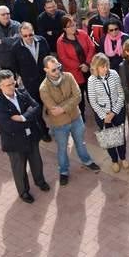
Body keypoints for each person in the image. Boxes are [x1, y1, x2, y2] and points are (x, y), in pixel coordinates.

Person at [38, 55, 100, 185]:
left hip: (76, 118)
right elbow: (53, 108)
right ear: (46, 70)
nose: (58, 71)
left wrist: (63, 107)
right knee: (62, 149)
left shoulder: (69, 77)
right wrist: (69, 104)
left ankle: (87, 161)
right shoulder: (43, 88)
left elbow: (78, 96)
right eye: (53, 70)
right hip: (59, 124)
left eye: (58, 67)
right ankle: (64, 172)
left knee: (80, 143)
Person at [0, 69, 50, 203]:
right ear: (0, 86)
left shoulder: (22, 92)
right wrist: (29, 119)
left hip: (32, 136)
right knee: (19, 169)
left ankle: (40, 182)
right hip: (15, 143)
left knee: (36, 162)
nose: (12, 87)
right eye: (8, 85)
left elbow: (36, 107)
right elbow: (9, 126)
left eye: (13, 83)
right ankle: (23, 192)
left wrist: (23, 118)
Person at [87, 53, 128, 172]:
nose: (105, 69)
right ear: (96, 67)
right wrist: (104, 116)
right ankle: (114, 160)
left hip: (117, 111)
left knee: (120, 137)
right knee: (109, 139)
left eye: (106, 66)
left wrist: (113, 112)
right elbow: (93, 101)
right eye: (102, 67)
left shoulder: (114, 74)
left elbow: (121, 94)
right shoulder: (91, 80)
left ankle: (123, 157)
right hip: (103, 115)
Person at [12, 23, 50, 110]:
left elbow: (48, 56)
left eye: (30, 34)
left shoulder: (42, 41)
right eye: (25, 36)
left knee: (49, 100)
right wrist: (24, 75)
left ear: (33, 32)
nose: (28, 37)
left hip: (45, 78)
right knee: (37, 104)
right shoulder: (15, 48)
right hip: (30, 82)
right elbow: (15, 66)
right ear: (21, 35)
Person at [0, 5, 22, 72]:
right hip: (5, 61)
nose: (6, 16)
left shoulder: (17, 25)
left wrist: (2, 40)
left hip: (18, 58)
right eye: (3, 14)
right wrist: (11, 42)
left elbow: (19, 40)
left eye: (8, 13)